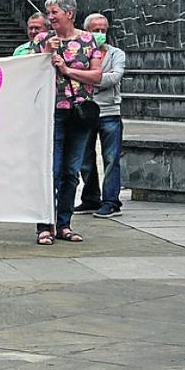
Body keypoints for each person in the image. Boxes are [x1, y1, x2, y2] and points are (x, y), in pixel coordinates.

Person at [32, 0, 104, 246]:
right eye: (48, 13)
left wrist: (66, 69)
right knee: (50, 171)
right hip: (51, 113)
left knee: (71, 172)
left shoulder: (89, 41)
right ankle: (45, 225)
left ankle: (64, 223)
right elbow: (30, 74)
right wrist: (44, 54)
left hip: (79, 114)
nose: (50, 17)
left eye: (55, 12)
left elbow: (97, 76)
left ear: (69, 13)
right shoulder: (42, 40)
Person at [75, 13, 127, 219]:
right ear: (86, 31)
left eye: (103, 30)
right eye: (95, 30)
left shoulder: (116, 54)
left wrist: (87, 77)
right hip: (86, 111)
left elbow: (114, 78)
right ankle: (90, 198)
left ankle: (111, 201)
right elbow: (72, 75)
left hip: (110, 111)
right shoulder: (79, 52)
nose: (100, 34)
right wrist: (90, 77)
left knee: (111, 158)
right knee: (84, 158)